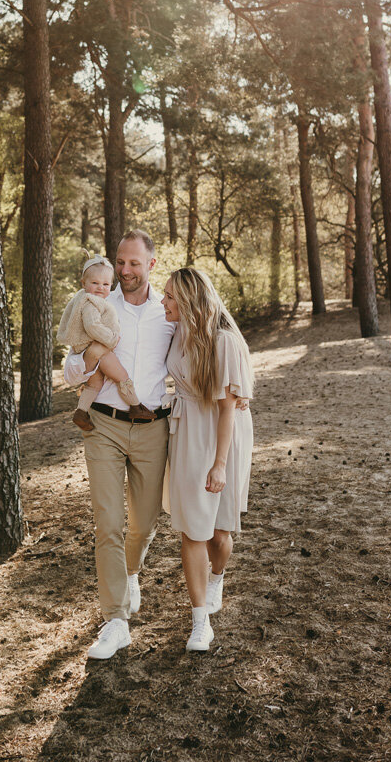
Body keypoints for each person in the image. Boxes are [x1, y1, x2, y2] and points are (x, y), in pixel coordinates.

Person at [64, 229, 175, 660]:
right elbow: (71, 369)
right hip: (103, 426)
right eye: (120, 262)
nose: (125, 271)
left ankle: (132, 572)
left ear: (150, 264)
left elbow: (194, 353)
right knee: (108, 523)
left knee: (143, 525)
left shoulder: (168, 311)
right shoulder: (95, 303)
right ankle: (115, 621)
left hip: (153, 427)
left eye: (134, 263)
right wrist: (91, 357)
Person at [161, 267, 254, 652]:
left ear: (187, 301)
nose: (162, 302)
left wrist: (219, 463)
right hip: (185, 432)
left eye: (169, 297)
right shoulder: (174, 331)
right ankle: (200, 621)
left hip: (221, 433)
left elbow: (228, 409)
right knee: (192, 529)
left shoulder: (224, 341)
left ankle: (218, 576)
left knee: (219, 533)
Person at [57, 254, 157, 430]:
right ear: (84, 283)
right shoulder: (91, 303)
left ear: (111, 285)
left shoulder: (83, 299)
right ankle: (135, 406)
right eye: (94, 283)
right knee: (122, 376)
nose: (100, 288)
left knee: (95, 383)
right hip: (96, 347)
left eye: (105, 284)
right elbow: (92, 326)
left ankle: (81, 411)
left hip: (86, 347)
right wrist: (110, 339)